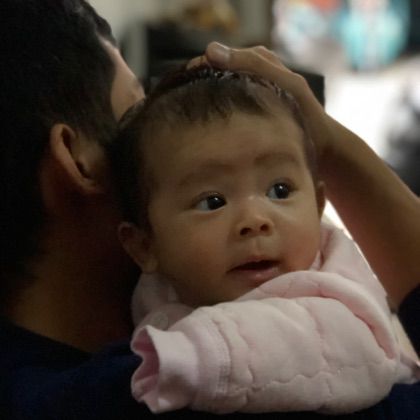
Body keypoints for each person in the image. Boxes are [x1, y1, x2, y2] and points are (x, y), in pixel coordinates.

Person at [0, 0, 419, 417]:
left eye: (278, 190)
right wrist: (335, 148)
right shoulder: (187, 377)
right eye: (137, 112)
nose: (255, 220)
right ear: (79, 161)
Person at [112, 65, 416, 414]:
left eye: (280, 190)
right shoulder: (153, 289)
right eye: (213, 202)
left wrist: (197, 356)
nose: (255, 220)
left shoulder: (331, 295)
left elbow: (338, 352)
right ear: (144, 246)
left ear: (318, 206)